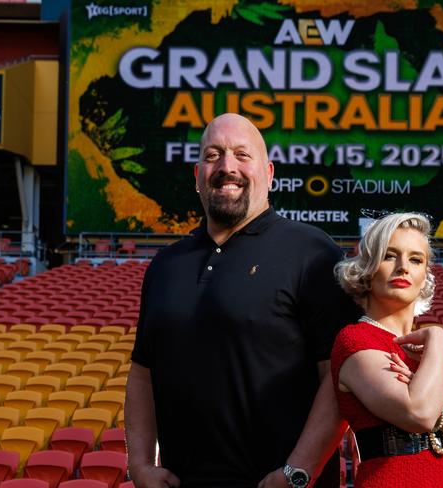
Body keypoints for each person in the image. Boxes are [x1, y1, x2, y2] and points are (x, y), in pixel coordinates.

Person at [125, 113, 360, 488]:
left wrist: (298, 471)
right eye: (213, 155)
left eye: (241, 154)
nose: (226, 166)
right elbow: (142, 373)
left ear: (268, 174)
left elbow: (339, 380)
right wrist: (139, 465)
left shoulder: (314, 253)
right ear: (197, 176)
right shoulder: (165, 265)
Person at [331, 213, 443, 487]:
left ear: (425, 275)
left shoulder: (428, 352)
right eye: (389, 256)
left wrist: (439, 411)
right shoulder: (356, 340)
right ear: (368, 270)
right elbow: (419, 413)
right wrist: (440, 338)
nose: (403, 267)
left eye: (416, 259)